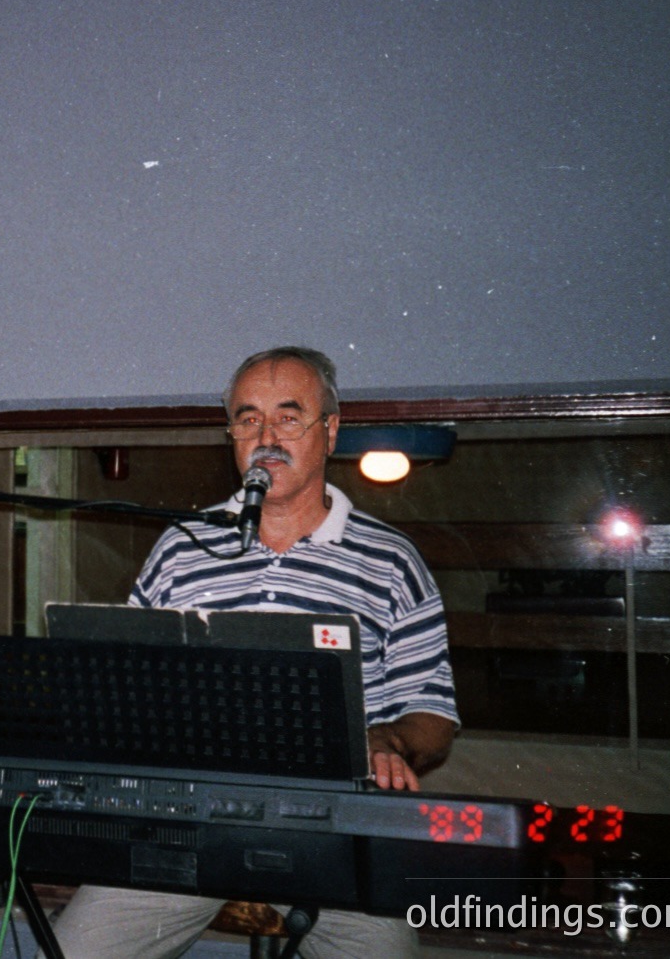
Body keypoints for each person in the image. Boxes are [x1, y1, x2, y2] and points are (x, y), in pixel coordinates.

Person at [52, 346, 459, 959]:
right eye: (247, 420)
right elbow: (121, 687)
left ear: (330, 431)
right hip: (188, 827)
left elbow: (434, 716)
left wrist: (388, 741)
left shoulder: (392, 561)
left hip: (334, 834)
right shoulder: (181, 548)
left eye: (288, 418)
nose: (266, 437)